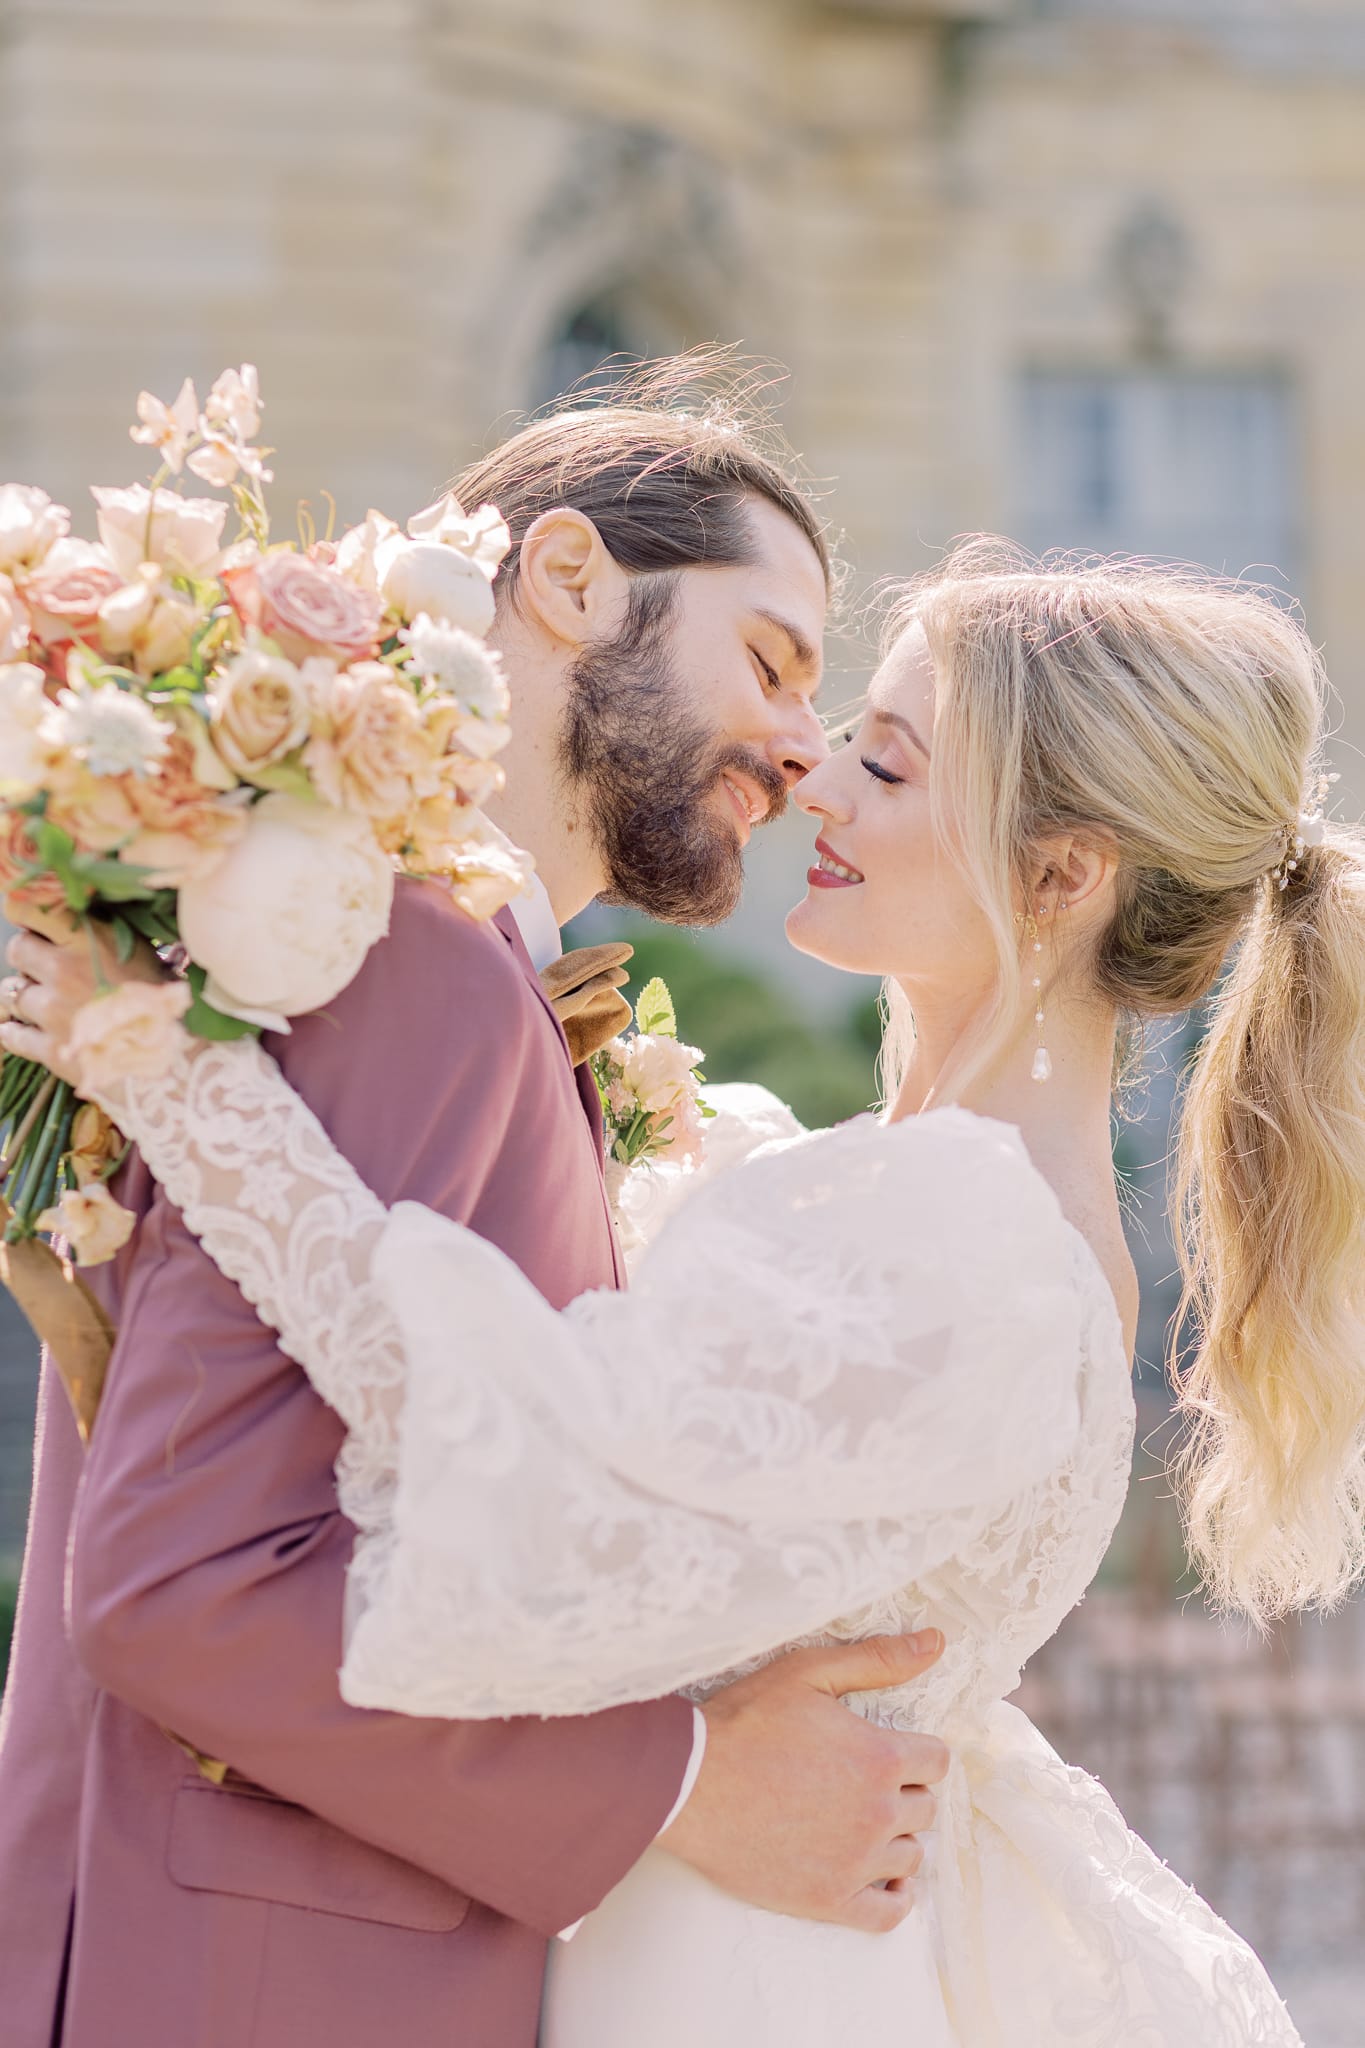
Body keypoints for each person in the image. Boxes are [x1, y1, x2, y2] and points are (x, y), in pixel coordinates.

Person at [12, 543, 1351, 2043]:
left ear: (1058, 876)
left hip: (751, 1963)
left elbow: (534, 1483)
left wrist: (176, 1083)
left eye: (890, 769)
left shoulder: (973, 1244)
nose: (819, 785)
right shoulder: (907, 1190)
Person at [0, 360, 952, 2048]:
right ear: (570, 582)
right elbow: (182, 1586)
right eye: (773, 661)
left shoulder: (449, 973)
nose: (804, 753)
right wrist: (681, 1787)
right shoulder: (404, 963)